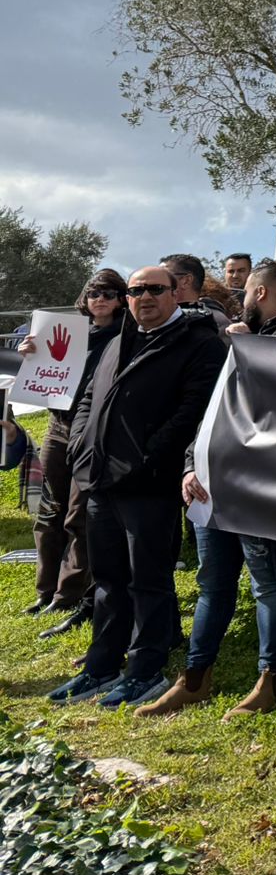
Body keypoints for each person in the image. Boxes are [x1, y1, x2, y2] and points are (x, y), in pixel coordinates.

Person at [146, 260, 276, 718]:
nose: (241, 301)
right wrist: (192, 464)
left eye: (246, 291)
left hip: (259, 485)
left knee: (268, 582)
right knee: (213, 582)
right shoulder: (249, 336)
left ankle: (271, 680)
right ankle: (195, 677)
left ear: (261, 292)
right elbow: (213, 410)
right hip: (214, 482)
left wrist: (253, 350)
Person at [48, 265, 228, 708]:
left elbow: (194, 412)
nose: (144, 297)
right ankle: (102, 666)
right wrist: (81, 446)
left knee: (148, 581)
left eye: (154, 289)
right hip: (101, 480)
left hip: (149, 484)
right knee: (108, 580)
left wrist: (147, 459)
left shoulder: (199, 342)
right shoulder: (118, 341)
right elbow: (89, 397)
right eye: (135, 290)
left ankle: (145, 670)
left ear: (176, 293)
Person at [25, 266, 124, 631]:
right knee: (49, 510)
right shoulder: (70, 333)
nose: (101, 300)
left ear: (121, 299)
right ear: (85, 299)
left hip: (94, 434)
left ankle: (68, 594)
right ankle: (45, 590)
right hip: (58, 426)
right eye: (95, 293)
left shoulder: (127, 337)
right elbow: (44, 372)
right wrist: (31, 354)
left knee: (80, 516)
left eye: (109, 294)